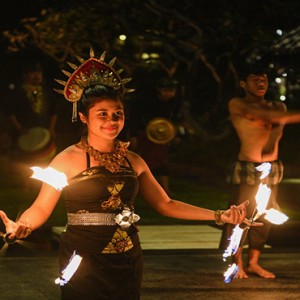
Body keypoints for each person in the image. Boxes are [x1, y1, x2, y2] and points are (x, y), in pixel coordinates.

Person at [0, 50, 252, 300]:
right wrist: (23, 225)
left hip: (127, 258)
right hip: (82, 257)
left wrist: (221, 216)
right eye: (102, 114)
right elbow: (41, 208)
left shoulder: (134, 160)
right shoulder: (66, 160)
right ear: (83, 117)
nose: (112, 120)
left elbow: (166, 204)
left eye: (117, 114)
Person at [219, 63, 300, 279]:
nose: (261, 83)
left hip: (272, 168)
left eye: (264, 79)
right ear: (244, 84)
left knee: (264, 214)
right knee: (240, 215)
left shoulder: (278, 107)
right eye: (256, 80)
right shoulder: (237, 104)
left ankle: (254, 262)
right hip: (248, 167)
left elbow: (278, 121)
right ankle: (237, 263)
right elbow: (269, 119)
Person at [4, 61, 58, 189]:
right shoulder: (17, 92)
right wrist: (18, 128)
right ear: (25, 76)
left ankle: (43, 183)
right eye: (33, 73)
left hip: (44, 131)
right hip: (24, 131)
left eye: (39, 73)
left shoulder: (47, 92)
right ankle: (26, 183)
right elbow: (10, 112)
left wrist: (51, 128)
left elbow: (54, 111)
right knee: (24, 160)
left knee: (45, 157)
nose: (36, 76)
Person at [128, 77, 182, 196]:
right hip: (144, 135)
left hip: (162, 137)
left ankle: (165, 189)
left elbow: (175, 121)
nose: (168, 93)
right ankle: (137, 189)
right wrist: (134, 135)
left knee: (162, 161)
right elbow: (135, 118)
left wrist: (175, 135)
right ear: (159, 89)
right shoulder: (146, 101)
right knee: (142, 161)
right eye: (166, 90)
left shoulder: (175, 104)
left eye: (171, 91)